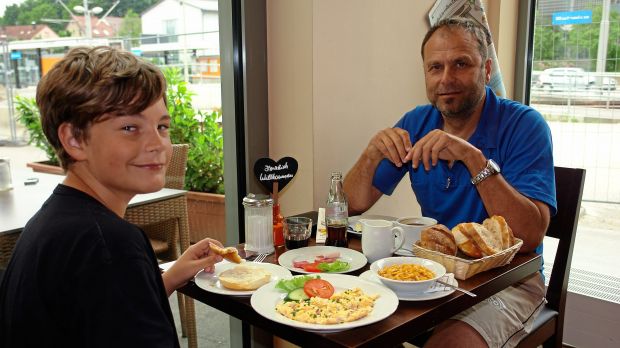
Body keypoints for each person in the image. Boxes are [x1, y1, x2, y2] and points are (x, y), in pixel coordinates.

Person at [343, 17, 556, 348]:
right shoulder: (417, 122)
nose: (446, 78)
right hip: (436, 274)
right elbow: (351, 203)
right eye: (435, 67)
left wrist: (473, 159)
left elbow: (529, 237)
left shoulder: (524, 125)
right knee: (351, 321)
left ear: (486, 70)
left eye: (461, 64)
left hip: (510, 283)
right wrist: (371, 154)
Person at [0, 46, 224, 347]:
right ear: (75, 140)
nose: (157, 144)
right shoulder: (108, 245)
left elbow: (95, 313)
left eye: (162, 126)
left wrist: (168, 277)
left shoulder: (61, 220)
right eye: (130, 127)